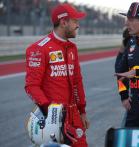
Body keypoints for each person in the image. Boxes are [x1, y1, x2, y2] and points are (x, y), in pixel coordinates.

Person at [25, 3, 89, 147]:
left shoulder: (72, 48)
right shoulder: (38, 49)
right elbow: (31, 86)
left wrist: (82, 111)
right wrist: (51, 112)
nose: (78, 25)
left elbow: (77, 82)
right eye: (75, 21)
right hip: (51, 118)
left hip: (74, 115)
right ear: (63, 22)